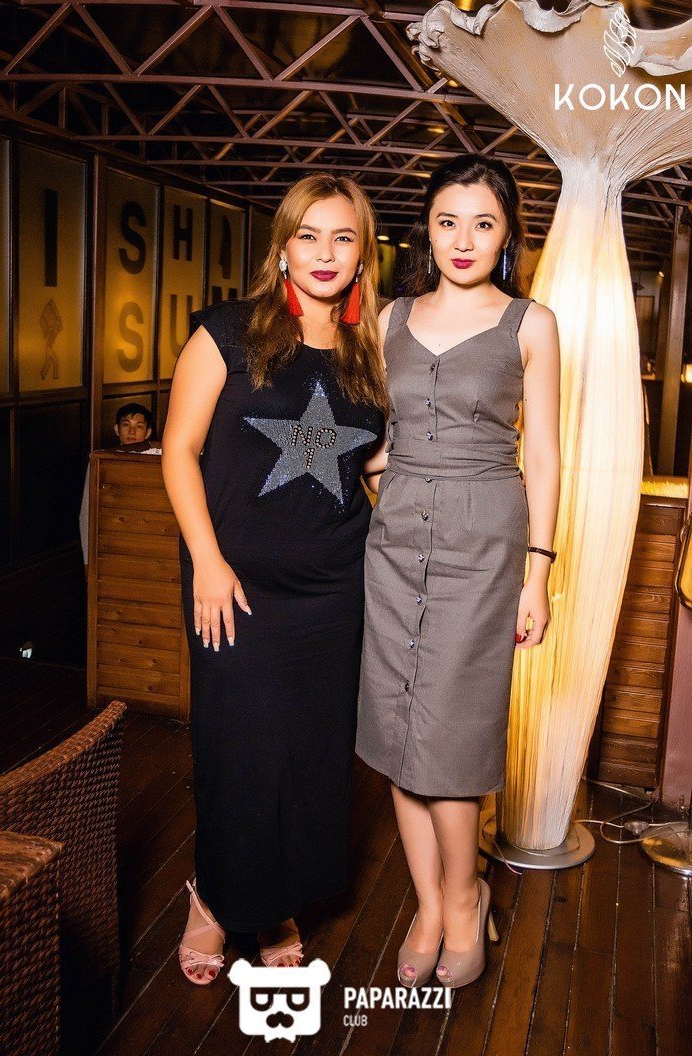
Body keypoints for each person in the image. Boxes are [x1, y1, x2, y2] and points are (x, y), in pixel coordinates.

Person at [161, 173, 387, 983]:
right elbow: (179, 450)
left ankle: (274, 900)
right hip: (236, 586)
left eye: (342, 237)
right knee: (239, 751)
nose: (325, 253)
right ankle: (214, 898)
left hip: (333, 588)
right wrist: (207, 561)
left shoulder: (369, 352)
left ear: (362, 255)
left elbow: (366, 462)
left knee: (310, 755)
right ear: (283, 248)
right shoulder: (227, 331)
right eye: (308, 235)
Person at [355, 154, 561, 989]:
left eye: (482, 222)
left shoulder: (530, 324)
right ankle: (430, 906)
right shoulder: (389, 316)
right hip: (395, 539)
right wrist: (377, 477)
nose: (463, 239)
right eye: (448, 221)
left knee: (449, 736)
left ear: (507, 233)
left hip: (484, 545)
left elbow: (542, 457)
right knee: (396, 731)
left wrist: (537, 574)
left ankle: (467, 896)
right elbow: (375, 432)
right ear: (427, 230)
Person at [78, 402, 153, 570]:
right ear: (117, 429)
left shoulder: (154, 462)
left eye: (139, 426)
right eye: (126, 425)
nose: (132, 432)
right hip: (111, 547)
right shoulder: (101, 461)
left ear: (148, 432)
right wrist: (88, 560)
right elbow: (87, 513)